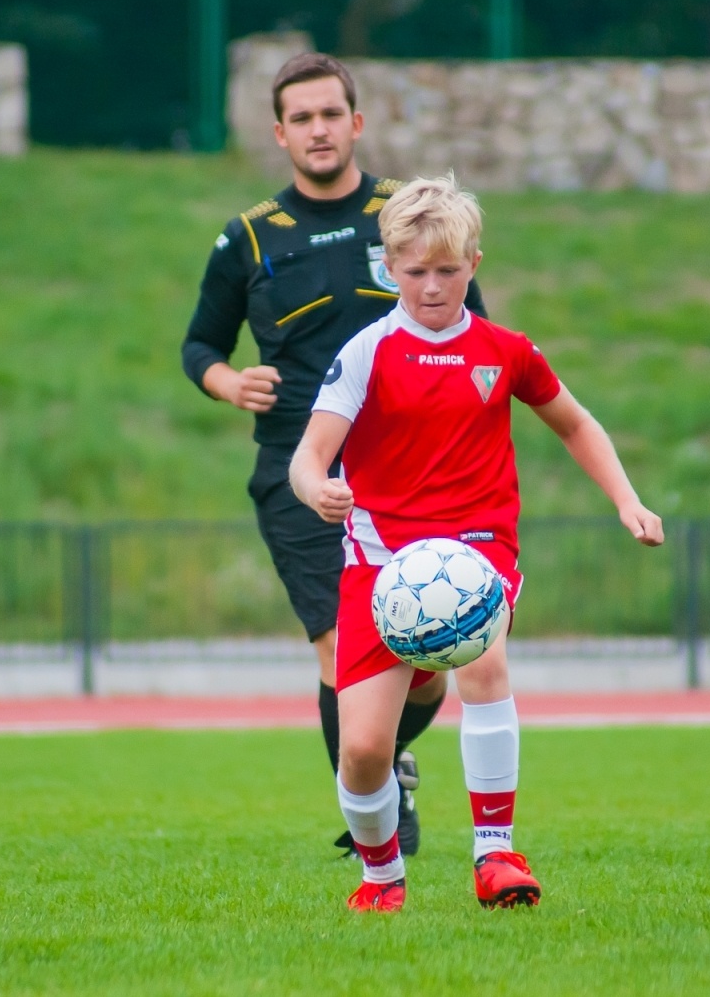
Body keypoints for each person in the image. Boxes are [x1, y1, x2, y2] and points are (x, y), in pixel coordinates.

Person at [289, 175, 663, 912]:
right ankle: (381, 873)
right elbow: (307, 456)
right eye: (416, 271)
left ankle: (496, 855)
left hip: (476, 546)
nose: (432, 287)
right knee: (363, 751)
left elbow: (577, 423)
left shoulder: (505, 350)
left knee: (483, 659)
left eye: (448, 271)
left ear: (474, 265)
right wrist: (319, 490)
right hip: (380, 563)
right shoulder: (367, 353)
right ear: (389, 268)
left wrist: (628, 500)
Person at [182, 53, 487, 856]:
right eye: (301, 118)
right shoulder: (247, 236)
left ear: (355, 123)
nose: (318, 130)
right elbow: (199, 345)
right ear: (280, 133)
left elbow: (474, 333)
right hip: (301, 469)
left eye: (331, 114)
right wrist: (227, 382)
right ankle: (377, 824)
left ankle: (391, 752)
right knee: (338, 646)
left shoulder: (408, 214)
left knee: (432, 668)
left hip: (412, 471)